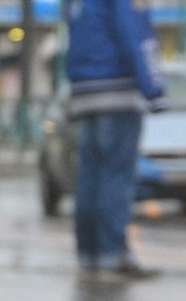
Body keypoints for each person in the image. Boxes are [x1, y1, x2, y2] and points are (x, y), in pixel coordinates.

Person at [62, 0, 166, 279]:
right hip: (118, 89)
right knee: (117, 175)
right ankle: (113, 254)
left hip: (84, 91)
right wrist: (154, 89)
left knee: (89, 176)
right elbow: (136, 33)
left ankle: (89, 253)